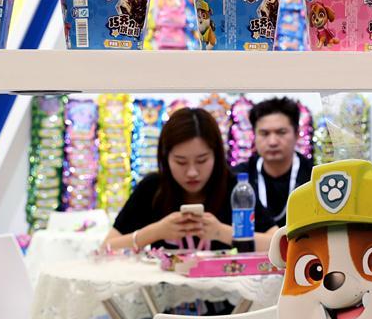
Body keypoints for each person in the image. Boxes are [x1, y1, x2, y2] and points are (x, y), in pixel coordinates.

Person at [103, 107, 277, 252]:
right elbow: (106, 248)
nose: (192, 172)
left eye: (202, 160)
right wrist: (156, 231)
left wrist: (221, 232)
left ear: (216, 156)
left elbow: (278, 245)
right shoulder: (152, 188)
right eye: (181, 162)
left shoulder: (236, 188)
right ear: (165, 158)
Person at [234, 97, 312, 228]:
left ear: (297, 134)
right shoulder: (238, 178)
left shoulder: (314, 177)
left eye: (281, 132)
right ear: (254, 136)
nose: (272, 142)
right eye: (264, 133)